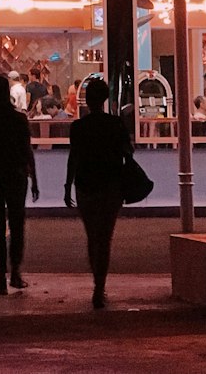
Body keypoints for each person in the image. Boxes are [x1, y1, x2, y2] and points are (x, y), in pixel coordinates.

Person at [64, 75, 132, 309]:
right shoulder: (115, 124)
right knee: (105, 236)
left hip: (86, 185)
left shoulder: (78, 127)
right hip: (111, 185)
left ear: (87, 99)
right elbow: (128, 152)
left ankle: (97, 283)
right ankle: (100, 287)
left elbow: (73, 158)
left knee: (93, 236)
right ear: (104, 99)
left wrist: (67, 186)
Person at [0, 74, 38, 295]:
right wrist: (34, 178)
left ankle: (1, 278)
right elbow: (26, 150)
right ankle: (15, 272)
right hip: (16, 175)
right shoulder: (18, 119)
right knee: (16, 225)